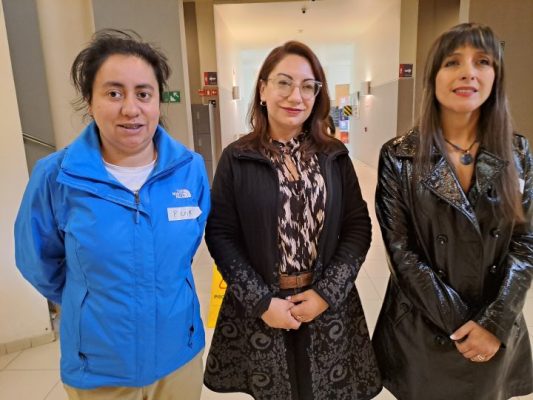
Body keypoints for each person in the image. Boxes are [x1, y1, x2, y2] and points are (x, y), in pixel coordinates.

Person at [14, 30, 209, 400]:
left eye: (143, 94)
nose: (131, 109)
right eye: (114, 93)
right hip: (99, 365)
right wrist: (89, 298)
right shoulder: (56, 176)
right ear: (90, 101)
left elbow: (187, 246)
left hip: (178, 354)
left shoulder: (190, 169)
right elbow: (37, 262)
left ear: (158, 102)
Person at [203, 40, 382, 400]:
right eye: (283, 82)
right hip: (264, 305)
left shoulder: (334, 155)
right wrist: (261, 302)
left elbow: (358, 226)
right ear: (263, 90)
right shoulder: (237, 157)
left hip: (326, 302)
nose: (295, 96)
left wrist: (326, 294)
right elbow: (221, 234)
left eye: (307, 86)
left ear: (317, 95)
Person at [373, 22, 532, 400]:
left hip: (495, 321)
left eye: (482, 61)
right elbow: (401, 252)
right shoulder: (400, 155)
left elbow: (526, 243)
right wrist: (463, 326)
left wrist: (493, 323)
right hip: (423, 327)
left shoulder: (517, 152)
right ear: (433, 78)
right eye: (452, 62)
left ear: (496, 76)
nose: (468, 72)